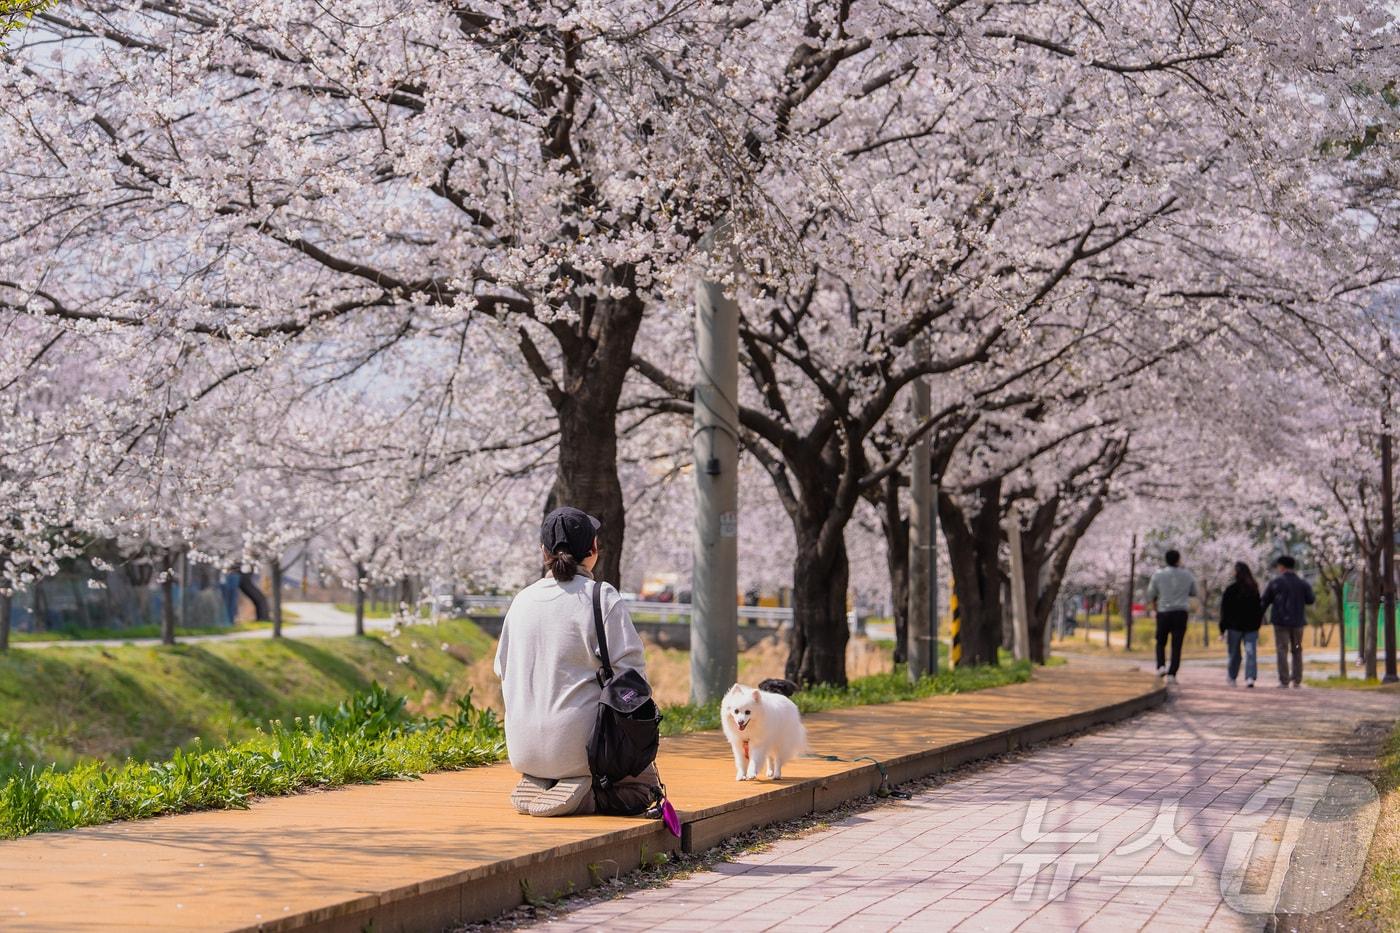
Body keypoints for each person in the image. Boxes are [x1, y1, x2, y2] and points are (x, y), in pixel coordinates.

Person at [493, 506, 661, 816]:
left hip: (523, 750)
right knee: (644, 788)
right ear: (593, 549)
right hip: (582, 752)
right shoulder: (600, 596)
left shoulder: (521, 601)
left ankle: (546, 777)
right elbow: (633, 680)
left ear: (544, 551)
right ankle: (589, 795)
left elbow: (501, 670)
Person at [1260, 554, 1315, 688]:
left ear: (1282, 567)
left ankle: (1284, 680)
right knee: (1297, 649)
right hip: (1297, 623)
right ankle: (1297, 680)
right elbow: (1311, 599)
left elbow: (1265, 601)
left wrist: (1258, 617)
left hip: (1280, 623)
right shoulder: (1302, 583)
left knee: (1282, 650)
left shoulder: (1276, 583)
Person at [1147, 549, 1197, 684]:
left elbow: (1151, 594)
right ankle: (1172, 674)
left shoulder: (1158, 574)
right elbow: (1194, 592)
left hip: (1163, 612)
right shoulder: (1187, 574)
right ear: (1178, 559)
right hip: (1180, 612)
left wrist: (1155, 606)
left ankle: (1161, 666)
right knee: (1177, 645)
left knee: (1160, 641)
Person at [1219, 562, 1264, 688]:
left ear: (1237, 573)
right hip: (1251, 626)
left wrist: (1222, 628)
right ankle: (1250, 677)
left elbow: (1224, 610)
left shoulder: (1231, 589)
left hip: (1235, 626)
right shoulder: (1253, 588)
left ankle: (1232, 677)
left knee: (1234, 653)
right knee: (1251, 652)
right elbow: (1259, 609)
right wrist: (1258, 624)